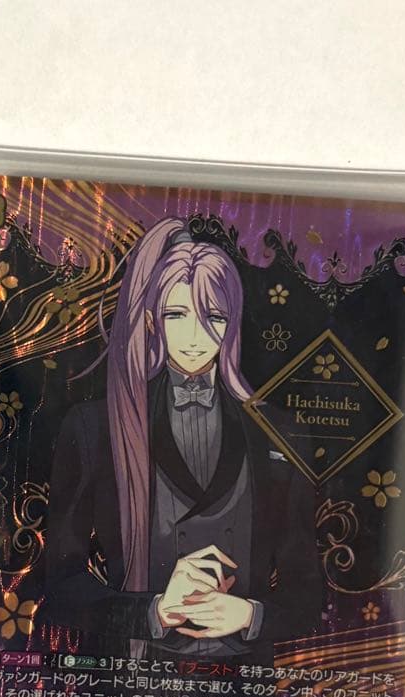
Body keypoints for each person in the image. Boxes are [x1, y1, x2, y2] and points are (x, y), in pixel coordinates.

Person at [44, 216, 321, 664]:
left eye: (214, 317)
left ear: (233, 324)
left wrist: (250, 615)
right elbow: (60, 587)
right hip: (133, 679)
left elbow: (306, 591)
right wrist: (152, 612)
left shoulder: (279, 432)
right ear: (151, 320)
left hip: (244, 682)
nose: (195, 337)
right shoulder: (95, 428)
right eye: (177, 315)